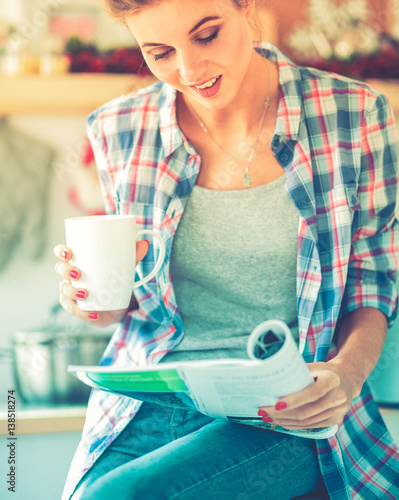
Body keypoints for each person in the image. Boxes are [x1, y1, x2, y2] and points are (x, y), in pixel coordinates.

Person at [54, 0, 399, 498]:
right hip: (152, 397)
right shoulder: (118, 128)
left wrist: (346, 374)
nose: (190, 70)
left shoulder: (352, 114)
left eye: (207, 34)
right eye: (160, 52)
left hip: (284, 406)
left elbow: (373, 280)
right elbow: (134, 298)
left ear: (246, 7)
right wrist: (95, 299)